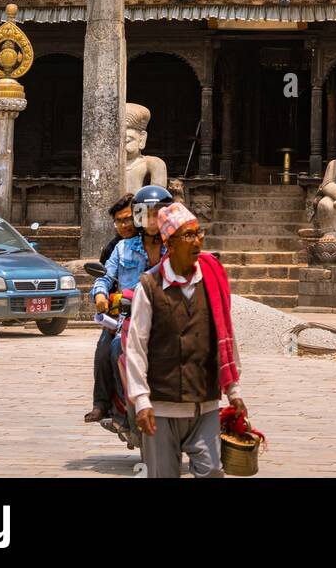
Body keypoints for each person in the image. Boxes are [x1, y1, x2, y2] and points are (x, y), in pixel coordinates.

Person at [125, 201, 246, 479]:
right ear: (169, 242)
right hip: (162, 405)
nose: (197, 241)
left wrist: (234, 391)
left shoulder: (212, 280)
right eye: (188, 235)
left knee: (213, 470)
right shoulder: (150, 286)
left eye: (199, 233)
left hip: (204, 402)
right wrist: (141, 400)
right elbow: (136, 346)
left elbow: (226, 334)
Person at [84, 192, 135, 423]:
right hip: (122, 312)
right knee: (107, 349)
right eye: (119, 221)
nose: (124, 225)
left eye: (129, 219)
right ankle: (107, 404)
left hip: (155, 310)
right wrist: (102, 295)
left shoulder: (161, 243)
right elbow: (105, 277)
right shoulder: (117, 248)